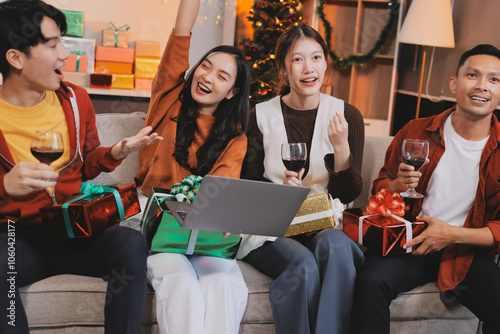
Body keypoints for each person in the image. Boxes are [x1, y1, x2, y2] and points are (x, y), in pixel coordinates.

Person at [0, 1, 163, 333]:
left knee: (130, 243)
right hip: (17, 238)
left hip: (75, 229)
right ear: (16, 58)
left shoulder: (75, 99)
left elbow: (85, 166)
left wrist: (116, 152)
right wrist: (5, 187)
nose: (65, 55)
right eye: (53, 44)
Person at [351, 44, 500, 334]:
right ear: (454, 84)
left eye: (494, 79)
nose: (482, 86)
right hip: (409, 243)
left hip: (464, 251)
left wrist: (452, 234)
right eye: (473, 75)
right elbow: (379, 191)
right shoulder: (416, 131)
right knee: (369, 283)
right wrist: (395, 185)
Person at [134, 0, 251, 332]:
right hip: (156, 221)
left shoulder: (235, 139)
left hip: (203, 229)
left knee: (223, 284)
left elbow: (221, 191)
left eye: (221, 76)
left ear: (232, 92)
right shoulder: (168, 96)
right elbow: (182, 31)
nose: (207, 76)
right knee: (182, 285)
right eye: (206, 66)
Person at [240, 25, 365, 334]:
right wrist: (278, 193)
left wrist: (341, 149)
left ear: (326, 63)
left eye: (316, 57)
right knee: (303, 264)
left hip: (321, 223)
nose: (309, 68)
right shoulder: (259, 115)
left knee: (338, 248)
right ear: (284, 67)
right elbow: (246, 184)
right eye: (297, 60)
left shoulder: (347, 115)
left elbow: (349, 191)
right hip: (271, 229)